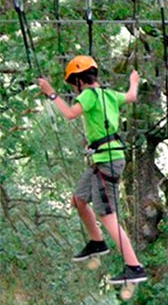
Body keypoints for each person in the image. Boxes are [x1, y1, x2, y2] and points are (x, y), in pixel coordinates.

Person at [38, 55, 148, 285]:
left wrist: (51, 93)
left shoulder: (88, 95)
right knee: (79, 199)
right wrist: (134, 80)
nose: (74, 90)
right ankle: (97, 242)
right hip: (104, 159)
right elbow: (131, 96)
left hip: (107, 161)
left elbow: (70, 114)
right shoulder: (109, 95)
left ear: (79, 80)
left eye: (72, 85)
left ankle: (134, 266)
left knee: (107, 215)